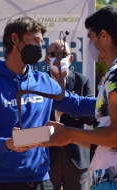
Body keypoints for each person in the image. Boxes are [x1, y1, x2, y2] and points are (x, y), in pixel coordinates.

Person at [0, 16, 96, 190]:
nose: (39, 47)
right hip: (0, 181)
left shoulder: (43, 81)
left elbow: (77, 105)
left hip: (41, 180)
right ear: (15, 39)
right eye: (34, 40)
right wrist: (8, 144)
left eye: (41, 42)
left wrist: (113, 102)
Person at [41, 5, 117, 190]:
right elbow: (101, 130)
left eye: (90, 37)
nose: (90, 43)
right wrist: (68, 136)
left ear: (103, 36)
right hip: (112, 178)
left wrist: (70, 133)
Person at [45, 40, 93, 190]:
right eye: (54, 54)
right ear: (47, 58)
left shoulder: (82, 81)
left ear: (71, 58)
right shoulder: (39, 82)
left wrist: (71, 107)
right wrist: (55, 114)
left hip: (77, 157)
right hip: (47, 157)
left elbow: (92, 117)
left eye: (63, 54)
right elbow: (33, 116)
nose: (59, 58)